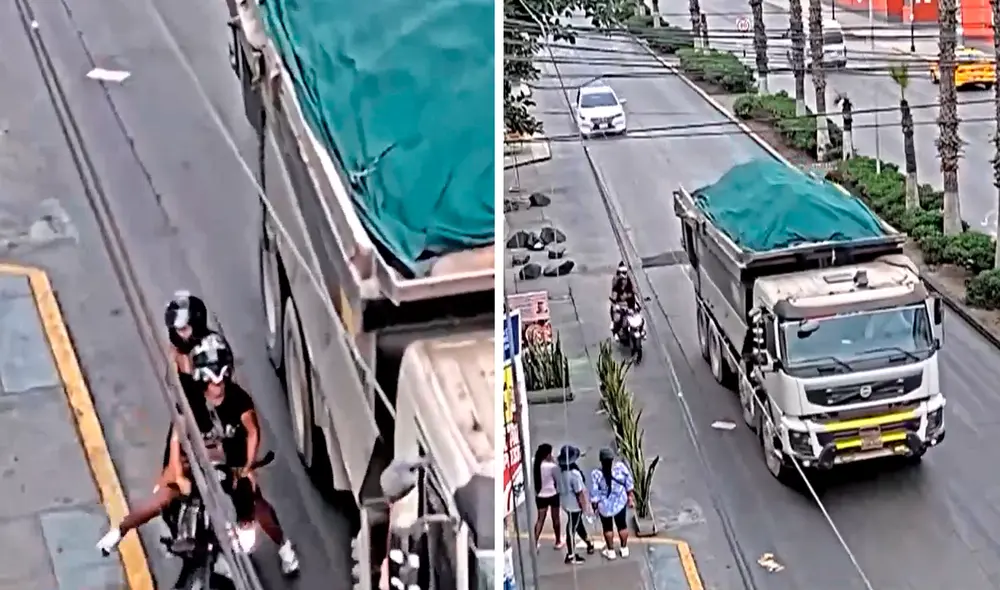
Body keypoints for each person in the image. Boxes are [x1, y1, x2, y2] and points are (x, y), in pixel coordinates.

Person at [98, 333, 301, 575]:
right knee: (161, 498)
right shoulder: (191, 400)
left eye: (221, 382)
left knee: (256, 503)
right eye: (212, 383)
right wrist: (177, 474)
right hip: (194, 464)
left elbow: (253, 432)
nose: (217, 388)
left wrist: (246, 467)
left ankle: (284, 548)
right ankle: (118, 532)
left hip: (230, 466)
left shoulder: (239, 400)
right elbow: (177, 436)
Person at [589, 448, 635, 560]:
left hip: (605, 507)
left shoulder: (596, 474)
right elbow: (629, 484)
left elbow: (594, 493)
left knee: (607, 528)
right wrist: (630, 498)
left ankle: (611, 551)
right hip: (619, 503)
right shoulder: (620, 468)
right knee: (622, 526)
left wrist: (594, 507)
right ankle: (624, 549)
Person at [556, 444, 594, 564]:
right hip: (575, 506)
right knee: (571, 528)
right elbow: (580, 493)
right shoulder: (574, 475)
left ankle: (589, 543)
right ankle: (571, 555)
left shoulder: (560, 471)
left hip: (566, 504)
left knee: (578, 525)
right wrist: (586, 507)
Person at [532, 443, 562, 550]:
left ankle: (534, 542)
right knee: (556, 519)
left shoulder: (536, 464)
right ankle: (558, 541)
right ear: (548, 454)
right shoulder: (552, 466)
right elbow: (558, 479)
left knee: (540, 519)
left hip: (540, 495)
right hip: (553, 494)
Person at [610, 263, 639, 337]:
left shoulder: (630, 283)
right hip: (620, 306)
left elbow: (635, 291)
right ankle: (616, 332)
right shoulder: (616, 285)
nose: (624, 279)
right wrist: (615, 305)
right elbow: (614, 297)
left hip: (630, 305)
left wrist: (637, 301)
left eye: (625, 273)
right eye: (622, 273)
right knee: (617, 319)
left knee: (639, 318)